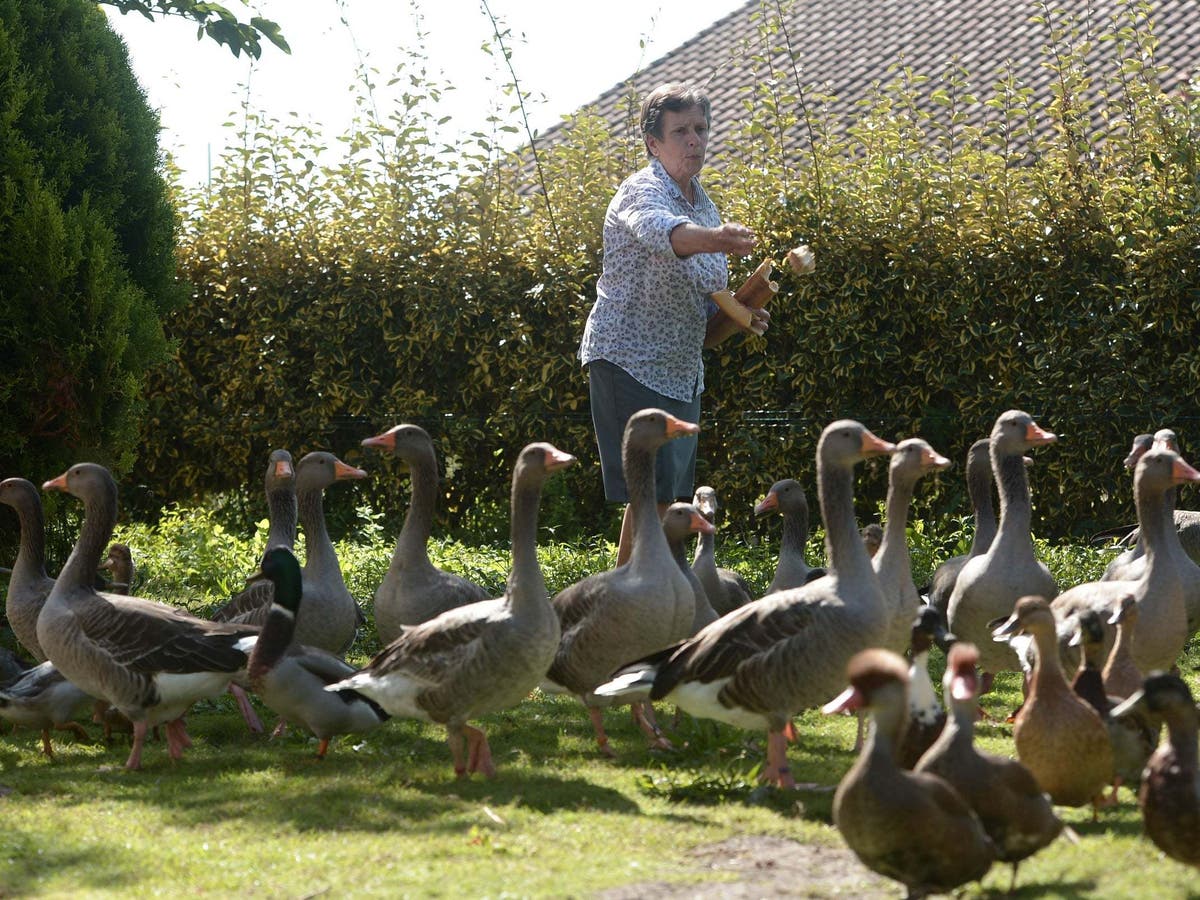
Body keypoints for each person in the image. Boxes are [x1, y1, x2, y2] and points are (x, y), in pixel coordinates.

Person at [578, 81, 769, 567]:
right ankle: (631, 605)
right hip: (627, 358)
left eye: (701, 129)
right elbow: (666, 236)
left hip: (681, 368)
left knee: (667, 496)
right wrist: (718, 240)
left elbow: (705, 301)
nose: (694, 141)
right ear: (653, 143)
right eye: (680, 130)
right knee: (651, 496)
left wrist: (743, 311)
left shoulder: (704, 204)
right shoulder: (640, 191)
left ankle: (640, 600)